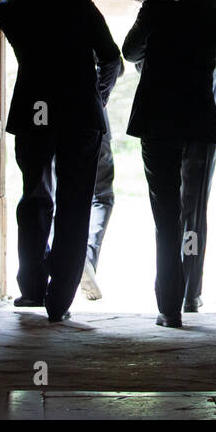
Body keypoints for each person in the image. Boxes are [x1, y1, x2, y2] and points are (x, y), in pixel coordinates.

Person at [0, 0, 121, 322]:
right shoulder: (77, 2)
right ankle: (59, 301)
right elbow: (112, 59)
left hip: (35, 115)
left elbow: (35, 2)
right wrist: (98, 98)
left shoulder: (7, 11)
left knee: (35, 198)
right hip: (81, 115)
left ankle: (32, 288)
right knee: (75, 205)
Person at [123, 0, 216, 327]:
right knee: (194, 211)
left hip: (157, 119)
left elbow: (130, 52)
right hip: (199, 121)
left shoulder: (157, 5)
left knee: (166, 212)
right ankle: (191, 293)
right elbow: (211, 65)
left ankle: (168, 306)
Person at [80, 78, 119, 301]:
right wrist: (98, 97)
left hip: (53, 114)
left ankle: (64, 261)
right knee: (102, 196)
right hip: (93, 115)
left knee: (58, 195)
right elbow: (114, 63)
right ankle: (87, 256)